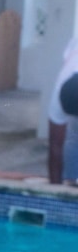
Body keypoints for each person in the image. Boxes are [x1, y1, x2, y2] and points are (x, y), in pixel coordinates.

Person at [47, 38, 78, 184]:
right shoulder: (58, 99)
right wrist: (54, 191)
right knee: (71, 138)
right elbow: (55, 146)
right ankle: (70, 181)